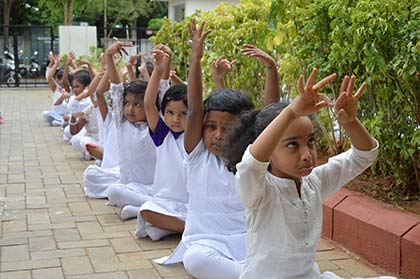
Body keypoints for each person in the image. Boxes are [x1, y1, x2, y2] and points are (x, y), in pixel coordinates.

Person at [227, 69, 394, 279]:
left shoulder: (314, 182)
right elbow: (251, 165)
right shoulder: (260, 191)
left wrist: (351, 122)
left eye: (311, 141)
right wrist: (290, 112)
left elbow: (363, 155)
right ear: (270, 151)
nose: (307, 155)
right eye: (292, 145)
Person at [156, 19, 279, 279]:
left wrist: (271, 69)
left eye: (228, 128)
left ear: (245, 130)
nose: (218, 135)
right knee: (195, 260)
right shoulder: (197, 154)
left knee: (280, 253)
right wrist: (196, 58)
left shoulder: (251, 158)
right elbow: (195, 110)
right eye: (211, 127)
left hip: (250, 240)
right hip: (207, 242)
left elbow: (272, 118)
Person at [135, 46, 189, 241]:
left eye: (183, 114)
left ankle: (180, 226)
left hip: (191, 203)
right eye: (170, 113)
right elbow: (149, 104)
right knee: (146, 212)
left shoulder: (195, 137)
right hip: (164, 202)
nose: (176, 120)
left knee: (153, 229)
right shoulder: (162, 135)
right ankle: (187, 227)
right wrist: (157, 71)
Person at [103, 40, 157, 219]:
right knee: (113, 190)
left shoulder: (155, 126)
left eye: (137, 104)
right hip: (129, 187)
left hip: (155, 187)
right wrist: (109, 57)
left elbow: (158, 93)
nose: (130, 109)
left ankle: (143, 207)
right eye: (126, 104)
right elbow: (117, 88)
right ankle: (146, 208)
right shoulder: (121, 123)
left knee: (114, 192)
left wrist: (159, 68)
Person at [42, 54, 69, 126]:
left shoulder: (70, 88)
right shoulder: (56, 88)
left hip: (67, 114)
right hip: (57, 113)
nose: (61, 81)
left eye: (62, 78)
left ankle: (61, 121)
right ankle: (60, 120)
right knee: (45, 114)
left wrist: (69, 64)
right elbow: (49, 76)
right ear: (56, 79)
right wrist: (56, 64)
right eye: (59, 79)